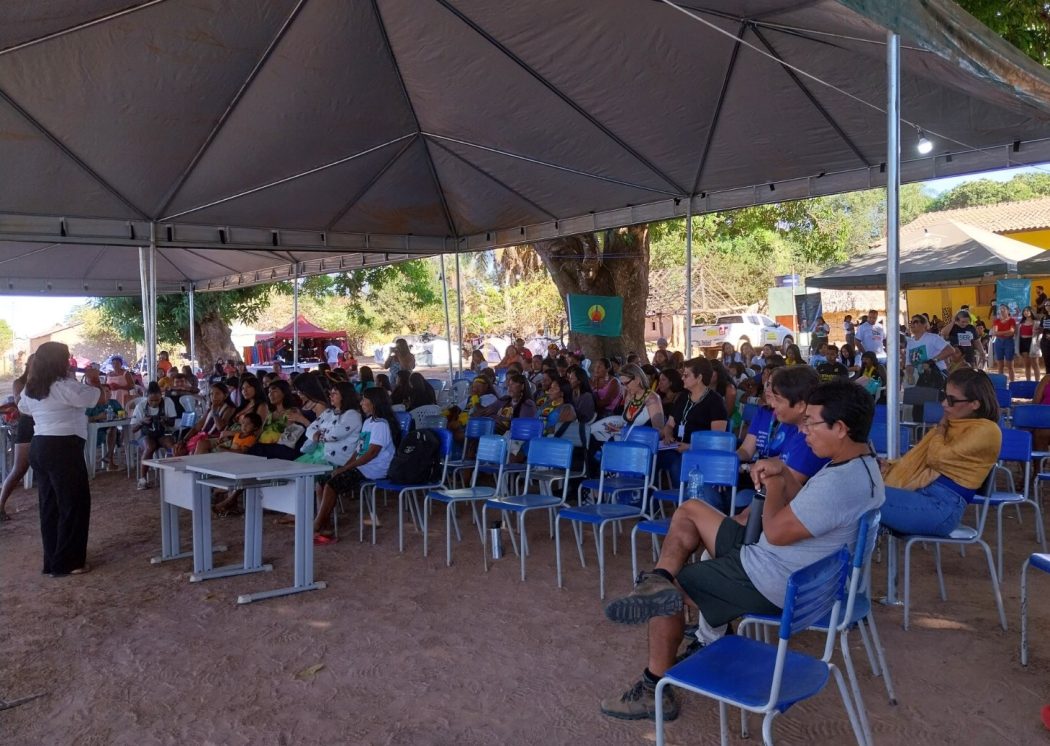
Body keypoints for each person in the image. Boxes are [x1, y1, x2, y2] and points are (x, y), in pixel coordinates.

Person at [599, 379, 884, 722]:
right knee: (690, 509)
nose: (804, 430)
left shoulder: (840, 483)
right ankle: (658, 578)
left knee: (668, 595)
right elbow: (800, 506)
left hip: (770, 577)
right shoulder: (859, 465)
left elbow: (777, 531)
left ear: (840, 428)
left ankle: (652, 687)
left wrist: (775, 482)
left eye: (811, 422)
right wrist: (782, 472)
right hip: (779, 563)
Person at [19, 342, 109, 576]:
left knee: (49, 505)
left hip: (40, 445)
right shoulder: (65, 386)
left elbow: (24, 408)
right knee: (73, 504)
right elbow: (99, 399)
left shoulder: (32, 387)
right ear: (59, 361)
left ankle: (52, 561)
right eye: (67, 358)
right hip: (63, 447)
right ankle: (70, 562)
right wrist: (95, 379)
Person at [879, 368, 1001, 536]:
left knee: (859, 498)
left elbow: (936, 458)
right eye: (944, 396)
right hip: (922, 497)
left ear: (975, 403)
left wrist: (941, 427)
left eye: (951, 400)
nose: (944, 403)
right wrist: (891, 468)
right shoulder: (954, 425)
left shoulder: (987, 430)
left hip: (941, 508)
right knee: (857, 495)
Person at [315, 387, 400, 545]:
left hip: (375, 469)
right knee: (322, 481)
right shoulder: (368, 421)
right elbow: (359, 450)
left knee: (333, 484)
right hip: (363, 466)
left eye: (364, 400)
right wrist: (345, 466)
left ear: (374, 403)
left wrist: (346, 469)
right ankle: (325, 527)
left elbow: (372, 453)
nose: (361, 403)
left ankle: (317, 524)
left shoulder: (381, 424)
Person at [658, 358, 728, 487]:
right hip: (675, 447)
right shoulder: (683, 397)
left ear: (699, 377)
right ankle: (653, 502)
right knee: (650, 458)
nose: (682, 378)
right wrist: (668, 435)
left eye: (686, 375)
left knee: (677, 465)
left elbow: (717, 439)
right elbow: (670, 424)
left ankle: (685, 503)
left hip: (698, 452)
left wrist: (690, 446)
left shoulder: (715, 402)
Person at [0, 354, 35, 521]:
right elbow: (21, 405)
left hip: (45, 426)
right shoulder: (19, 383)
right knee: (19, 468)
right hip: (27, 426)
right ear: (28, 365)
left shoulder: (48, 382)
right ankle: (1, 504)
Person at [131, 382, 177, 489]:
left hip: (162, 433)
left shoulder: (167, 402)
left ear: (161, 396)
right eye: (151, 400)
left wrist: (165, 420)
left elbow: (172, 423)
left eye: (157, 400)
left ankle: (172, 475)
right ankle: (142, 480)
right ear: (146, 398)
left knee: (172, 446)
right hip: (146, 435)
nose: (154, 403)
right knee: (149, 447)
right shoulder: (140, 406)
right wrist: (142, 421)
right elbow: (133, 429)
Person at [176, 382, 236, 455]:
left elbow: (220, 427)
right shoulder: (209, 409)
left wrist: (214, 411)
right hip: (202, 436)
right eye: (211, 394)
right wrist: (184, 440)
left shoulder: (229, 409)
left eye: (217, 394)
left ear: (225, 395)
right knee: (178, 448)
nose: (214, 397)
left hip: (216, 438)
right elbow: (197, 427)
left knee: (196, 448)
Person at [905, 314, 950, 384]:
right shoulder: (910, 343)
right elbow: (909, 363)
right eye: (911, 322)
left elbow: (950, 350)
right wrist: (910, 375)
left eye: (916, 322)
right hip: (922, 377)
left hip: (938, 375)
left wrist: (932, 361)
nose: (912, 324)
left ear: (924, 325)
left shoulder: (933, 338)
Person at [992, 303, 1017, 382]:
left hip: (1009, 342)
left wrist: (1000, 332)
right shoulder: (996, 321)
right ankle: (1001, 383)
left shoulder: (1012, 320)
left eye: (1004, 309)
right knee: (1000, 365)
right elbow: (995, 333)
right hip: (998, 342)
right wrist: (1007, 332)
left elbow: (1012, 332)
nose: (1002, 310)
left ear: (1008, 311)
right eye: (1000, 309)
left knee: (1010, 365)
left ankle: (1012, 383)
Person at [1019, 306, 1036, 381]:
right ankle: (1028, 381)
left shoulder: (1036, 322)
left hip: (1032, 343)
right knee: (1027, 365)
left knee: (1035, 364)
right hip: (1023, 343)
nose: (1026, 312)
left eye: (1028, 311)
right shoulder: (1021, 323)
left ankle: (1037, 382)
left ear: (1031, 312)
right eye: (1024, 311)